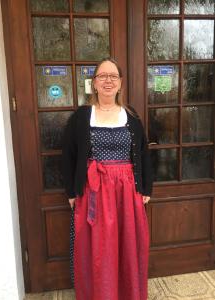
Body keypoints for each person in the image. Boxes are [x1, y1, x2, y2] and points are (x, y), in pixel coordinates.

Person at [62, 57, 153, 300]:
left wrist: (146, 189)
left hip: (127, 191)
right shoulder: (81, 117)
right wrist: (71, 193)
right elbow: (68, 155)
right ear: (94, 83)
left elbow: (144, 153)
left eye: (113, 76)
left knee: (126, 247)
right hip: (94, 191)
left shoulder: (131, 117)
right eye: (103, 76)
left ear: (121, 83)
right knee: (99, 249)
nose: (108, 81)